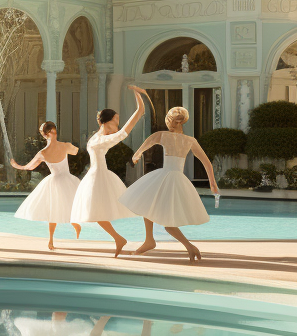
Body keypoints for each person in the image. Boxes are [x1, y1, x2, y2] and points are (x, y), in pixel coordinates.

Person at [123, 105, 219, 263]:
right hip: (175, 178)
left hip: (168, 177)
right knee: (148, 204)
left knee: (165, 220)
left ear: (173, 121)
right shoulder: (190, 140)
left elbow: (149, 141)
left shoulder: (163, 135)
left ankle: (189, 246)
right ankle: (149, 240)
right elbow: (207, 163)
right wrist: (212, 184)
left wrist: (137, 154)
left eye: (169, 120)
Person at [70, 86, 147, 257]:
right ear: (107, 121)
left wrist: (138, 100)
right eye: (116, 120)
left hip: (98, 175)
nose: (118, 124)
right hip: (97, 176)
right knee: (95, 211)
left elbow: (135, 118)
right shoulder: (99, 140)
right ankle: (119, 239)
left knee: (96, 211)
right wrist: (138, 101)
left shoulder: (98, 138)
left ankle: (119, 239)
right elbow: (126, 129)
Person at [10, 120, 82, 250]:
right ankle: (74, 225)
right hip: (67, 179)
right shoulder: (64, 146)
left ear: (44, 135)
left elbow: (29, 167)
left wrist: (17, 166)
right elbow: (76, 151)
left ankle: (51, 240)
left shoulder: (42, 153)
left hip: (54, 181)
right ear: (54, 131)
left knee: (54, 210)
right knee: (69, 205)